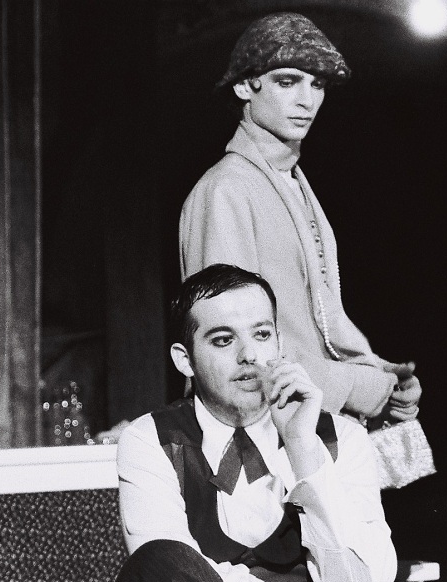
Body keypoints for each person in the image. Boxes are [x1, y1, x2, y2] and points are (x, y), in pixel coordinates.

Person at [99, 264, 415, 582]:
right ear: (184, 359)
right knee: (156, 563)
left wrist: (303, 450)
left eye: (262, 335)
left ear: (279, 343)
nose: (248, 355)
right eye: (223, 340)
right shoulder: (150, 441)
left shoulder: (341, 438)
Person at [180, 12, 422, 427]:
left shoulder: (291, 182)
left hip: (311, 414)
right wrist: (359, 387)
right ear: (245, 86)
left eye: (318, 85)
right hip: (262, 429)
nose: (307, 100)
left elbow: (317, 326)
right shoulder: (226, 190)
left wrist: (382, 379)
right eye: (288, 81)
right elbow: (231, 346)